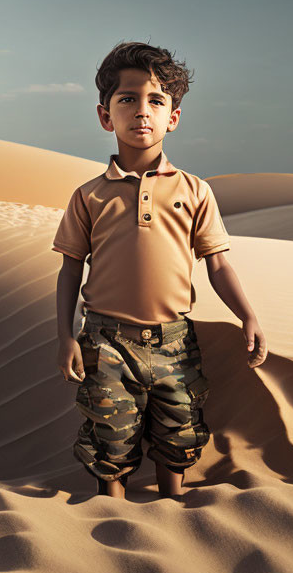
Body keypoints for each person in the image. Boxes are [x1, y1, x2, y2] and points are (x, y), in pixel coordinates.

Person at [53, 40, 267, 500]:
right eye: (127, 99)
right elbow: (70, 270)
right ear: (105, 116)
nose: (142, 111)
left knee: (180, 433)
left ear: (173, 117)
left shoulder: (195, 190)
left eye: (156, 100)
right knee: (110, 438)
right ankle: (110, 514)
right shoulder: (89, 196)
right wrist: (66, 335)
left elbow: (218, 262)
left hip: (175, 340)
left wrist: (247, 314)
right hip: (106, 341)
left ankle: (173, 511)